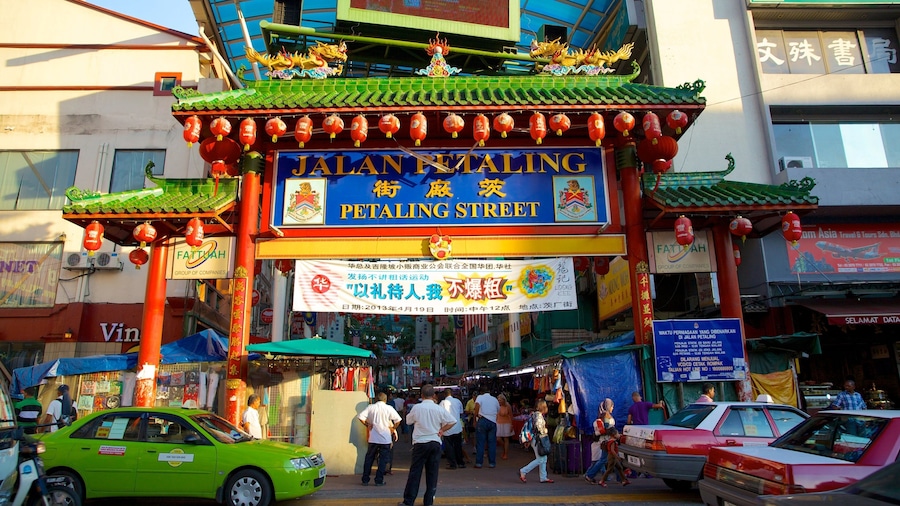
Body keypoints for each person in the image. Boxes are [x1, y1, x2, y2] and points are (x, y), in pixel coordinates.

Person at [399, 384, 457, 506]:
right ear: (434, 395)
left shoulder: (417, 408)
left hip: (420, 443)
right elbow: (453, 421)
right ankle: (429, 501)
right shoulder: (439, 409)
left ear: (422, 395)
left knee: (415, 472)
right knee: (432, 473)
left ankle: (409, 501)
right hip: (435, 442)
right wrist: (442, 430)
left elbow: (408, 421)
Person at [358, 391, 402, 486]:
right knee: (383, 460)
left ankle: (365, 479)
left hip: (373, 438)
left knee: (369, 459)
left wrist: (367, 424)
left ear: (376, 399)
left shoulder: (371, 407)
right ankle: (379, 480)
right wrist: (392, 428)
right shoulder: (389, 408)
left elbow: (361, 417)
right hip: (385, 439)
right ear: (385, 400)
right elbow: (398, 420)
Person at [517, 399, 554, 484]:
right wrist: (545, 430)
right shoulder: (538, 416)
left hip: (535, 439)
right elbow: (539, 428)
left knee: (543, 458)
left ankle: (543, 477)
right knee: (541, 459)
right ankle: (523, 471)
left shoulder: (534, 415)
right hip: (538, 439)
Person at [583, 398, 616, 483]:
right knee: (603, 460)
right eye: (612, 406)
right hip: (605, 443)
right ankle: (590, 475)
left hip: (606, 443)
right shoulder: (605, 419)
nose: (612, 408)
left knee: (608, 460)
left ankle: (619, 478)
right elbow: (604, 431)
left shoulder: (602, 419)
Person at [439, 389, 466, 469]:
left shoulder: (442, 403)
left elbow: (440, 415)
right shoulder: (458, 401)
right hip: (457, 427)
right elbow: (461, 412)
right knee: (458, 446)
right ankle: (460, 462)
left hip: (447, 428)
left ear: (445, 394)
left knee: (449, 447)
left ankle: (452, 464)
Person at [473, 388, 500, 468]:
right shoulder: (494, 399)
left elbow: (477, 406)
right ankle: (492, 463)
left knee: (481, 443)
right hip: (492, 421)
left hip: (483, 420)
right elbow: (498, 410)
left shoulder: (480, 397)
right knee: (492, 443)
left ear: (481, 392)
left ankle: (479, 463)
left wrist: (476, 417)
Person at [496, 394, 514, 460]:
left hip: (507, 423)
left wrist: (512, 425)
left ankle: (505, 453)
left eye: (500, 400)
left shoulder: (507, 406)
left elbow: (511, 415)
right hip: (498, 423)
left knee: (506, 438)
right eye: (498, 400)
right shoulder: (497, 406)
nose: (499, 401)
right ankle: (504, 448)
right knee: (498, 438)